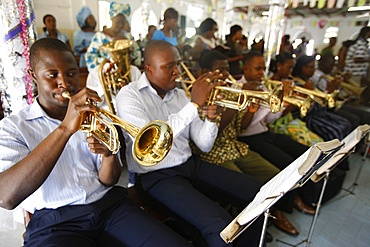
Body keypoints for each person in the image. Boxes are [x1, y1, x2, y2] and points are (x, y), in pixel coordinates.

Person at [0, 38, 191, 247]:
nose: (64, 82)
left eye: (71, 73)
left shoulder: (95, 116)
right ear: (34, 76)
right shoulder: (13, 127)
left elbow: (109, 180)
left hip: (108, 208)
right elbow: (7, 198)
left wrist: (109, 156)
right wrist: (65, 129)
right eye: (52, 75)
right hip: (55, 222)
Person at [116, 40, 264, 247]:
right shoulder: (128, 95)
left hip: (190, 164)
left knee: (258, 193)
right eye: (169, 66)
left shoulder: (179, 96)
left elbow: (204, 145)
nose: (177, 71)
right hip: (155, 176)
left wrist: (211, 119)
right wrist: (194, 104)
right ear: (148, 68)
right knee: (220, 225)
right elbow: (155, 140)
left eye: (178, 64)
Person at [192, 50, 303, 237]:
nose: (225, 75)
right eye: (220, 70)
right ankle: (250, 227)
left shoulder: (231, 89)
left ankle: (274, 214)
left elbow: (240, 128)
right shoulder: (196, 97)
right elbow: (213, 135)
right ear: (205, 71)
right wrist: (236, 100)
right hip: (212, 155)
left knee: (276, 176)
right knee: (246, 188)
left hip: (236, 147)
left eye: (227, 70)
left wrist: (250, 109)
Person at [236, 51, 317, 215]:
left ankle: (305, 195)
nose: (261, 73)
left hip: (265, 132)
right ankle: (292, 201)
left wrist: (282, 99)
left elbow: (270, 119)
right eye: (258, 69)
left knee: (303, 153)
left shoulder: (263, 87)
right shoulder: (236, 88)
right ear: (245, 69)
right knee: (287, 163)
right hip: (249, 138)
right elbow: (242, 126)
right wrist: (257, 103)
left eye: (263, 69)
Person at [268, 52, 324, 147]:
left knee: (320, 142)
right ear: (278, 66)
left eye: (292, 68)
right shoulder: (269, 85)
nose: (290, 72)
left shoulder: (289, 82)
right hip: (279, 125)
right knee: (313, 146)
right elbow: (277, 115)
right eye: (288, 68)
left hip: (291, 121)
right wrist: (301, 94)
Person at [85, 2, 141, 71]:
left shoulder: (127, 37)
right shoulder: (100, 37)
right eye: (117, 22)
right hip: (106, 74)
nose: (120, 25)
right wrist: (109, 63)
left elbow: (137, 55)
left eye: (122, 22)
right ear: (111, 19)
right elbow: (89, 57)